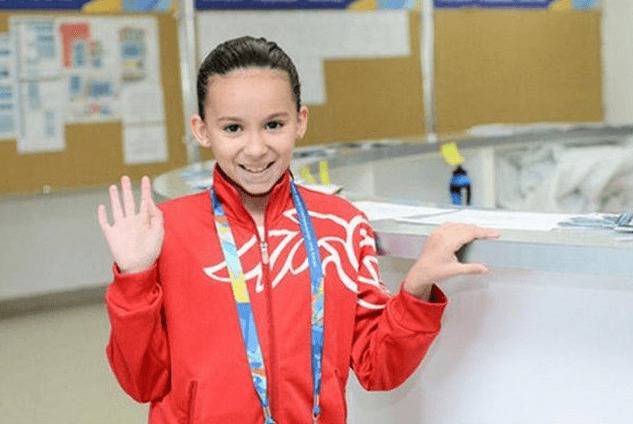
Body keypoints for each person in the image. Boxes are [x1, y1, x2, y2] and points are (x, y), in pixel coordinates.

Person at [98, 36, 499, 423]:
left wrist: (416, 290)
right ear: (202, 130)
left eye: (273, 124)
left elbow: (379, 367)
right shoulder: (168, 232)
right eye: (233, 128)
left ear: (300, 121)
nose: (256, 148)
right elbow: (141, 382)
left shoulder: (341, 225)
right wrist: (134, 280)